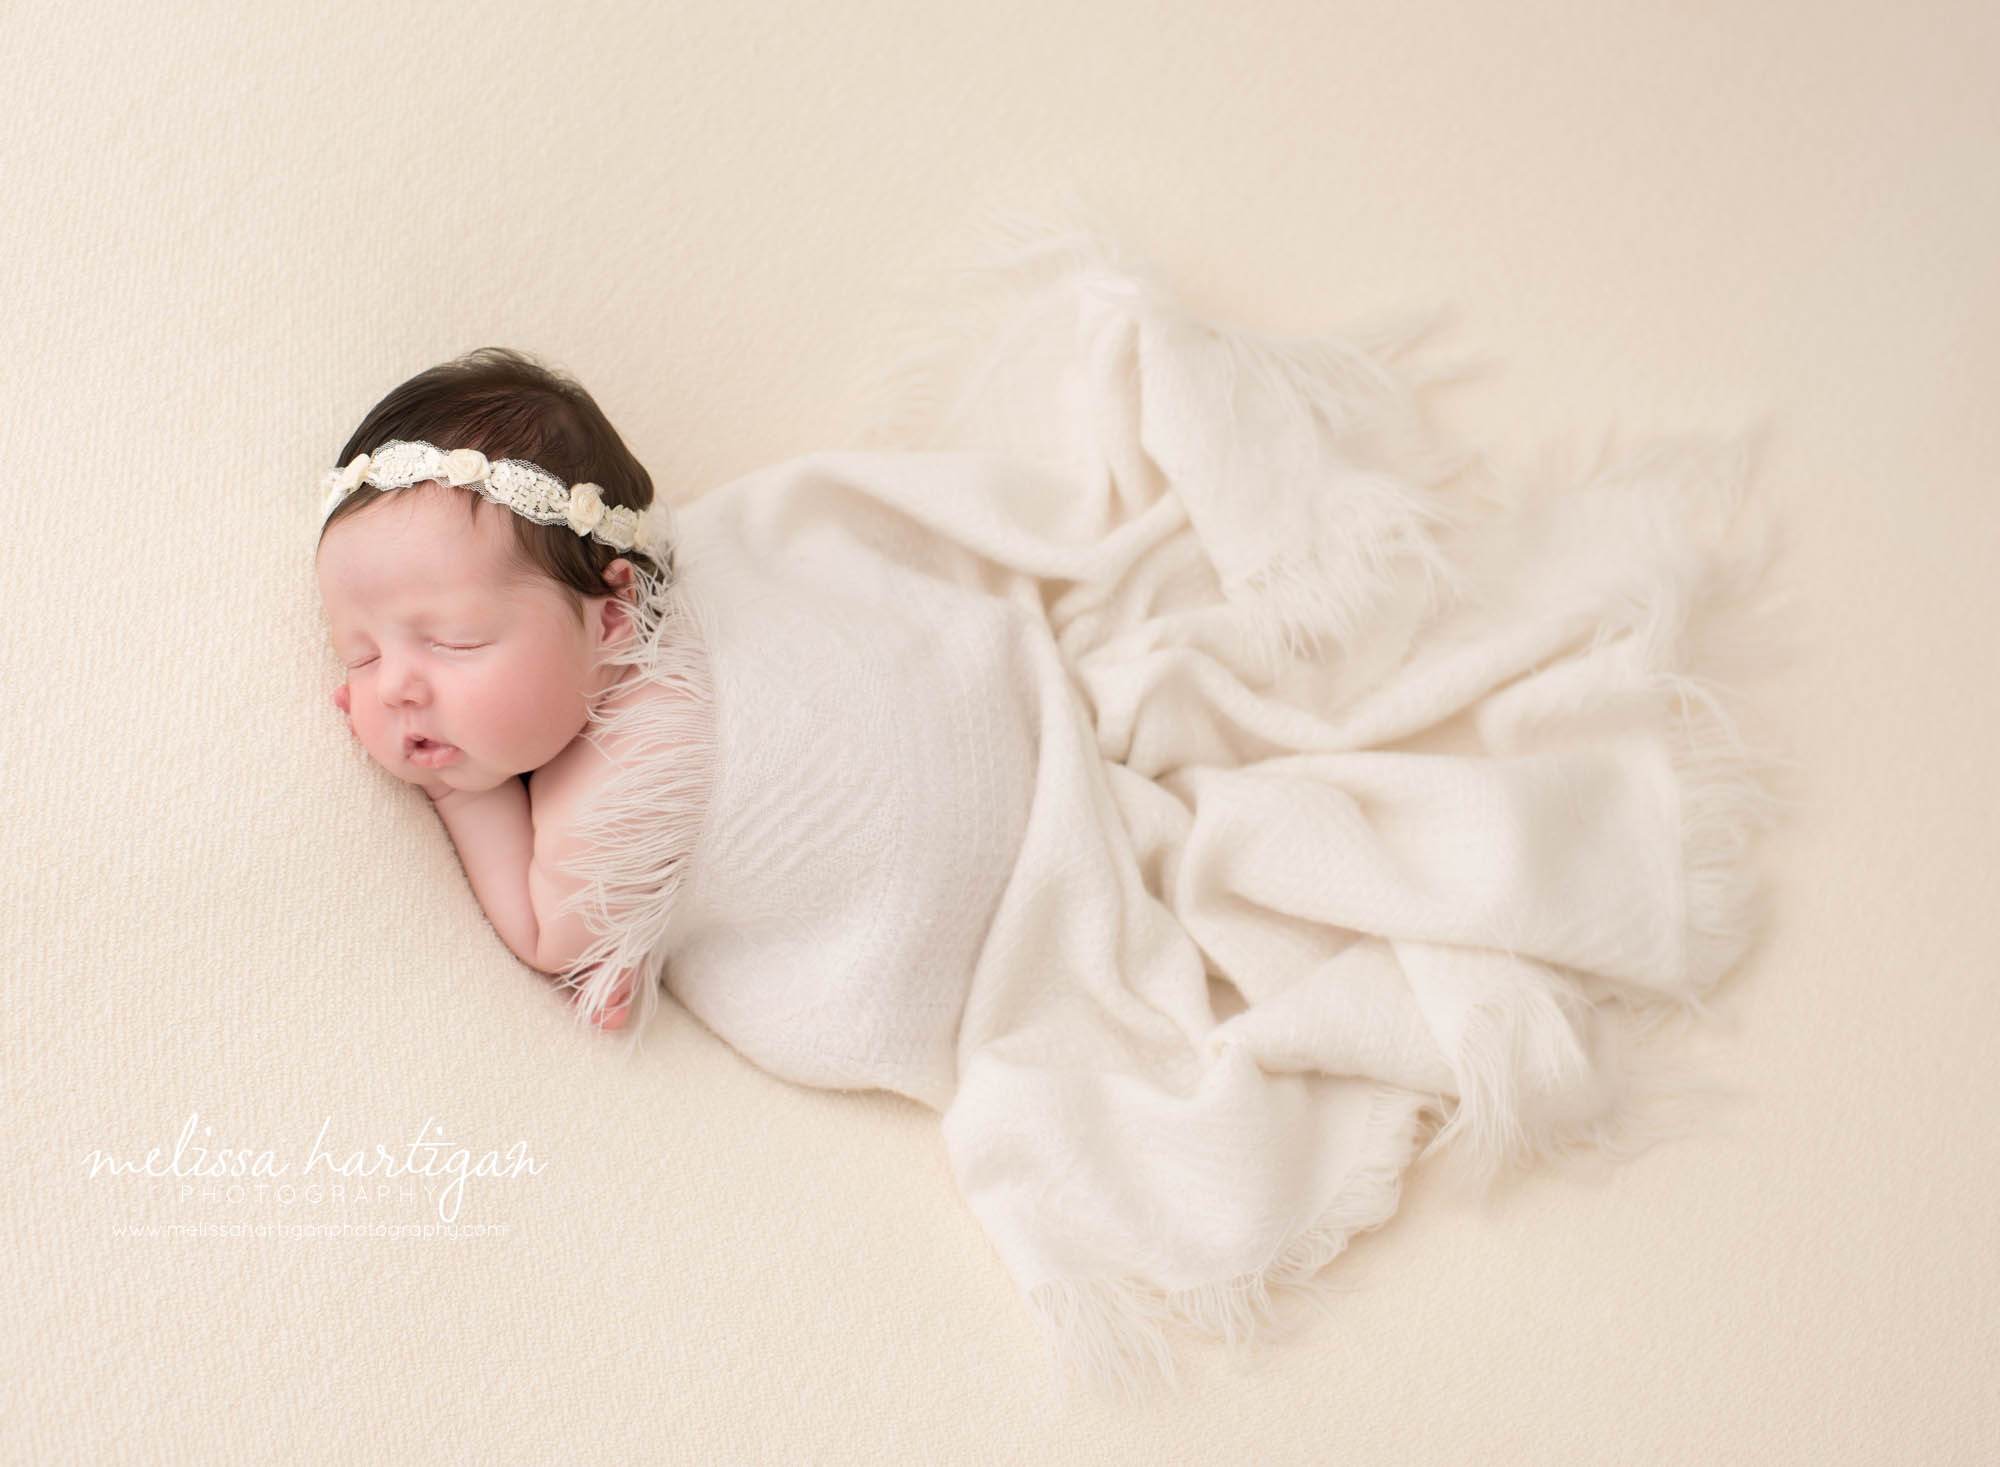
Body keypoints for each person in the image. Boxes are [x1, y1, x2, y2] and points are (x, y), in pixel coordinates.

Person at [315, 348, 685, 1031]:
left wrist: (458, 791)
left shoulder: (638, 754)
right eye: (359, 656)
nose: (393, 685)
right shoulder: (570, 692)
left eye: (452, 640)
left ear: (613, 618)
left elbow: (551, 937)